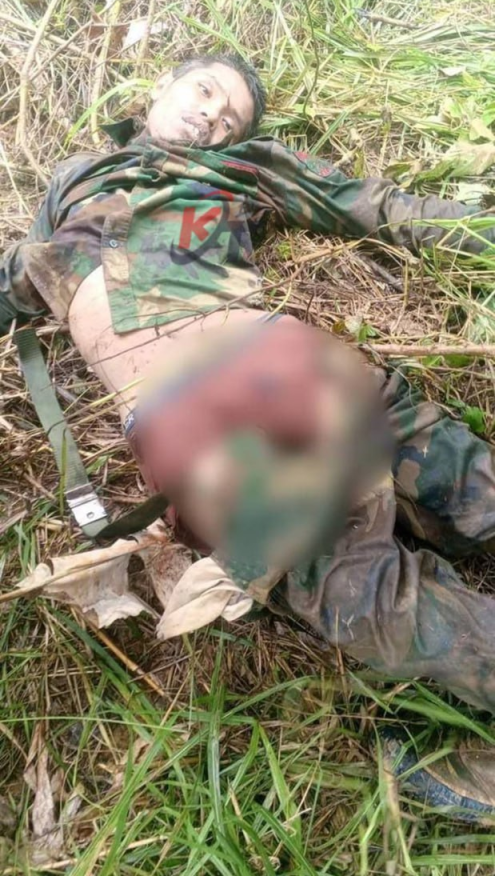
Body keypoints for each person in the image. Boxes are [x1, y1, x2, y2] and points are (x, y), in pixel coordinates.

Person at [2, 50, 495, 818]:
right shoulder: (75, 181)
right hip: (210, 414)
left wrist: (477, 232)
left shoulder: (239, 166)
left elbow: (373, 205)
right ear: (161, 84)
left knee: (418, 545)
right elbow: (14, 287)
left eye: (228, 116)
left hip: (254, 374)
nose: (211, 115)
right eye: (205, 91)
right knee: (373, 582)